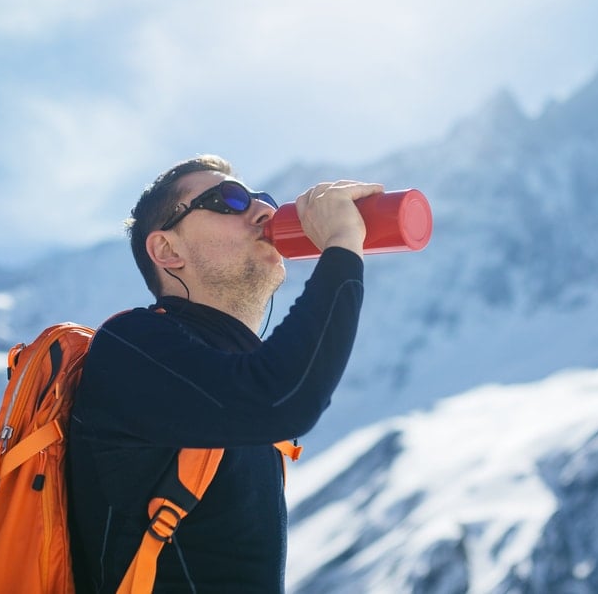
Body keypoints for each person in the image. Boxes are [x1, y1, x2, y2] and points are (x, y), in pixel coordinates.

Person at [67, 155, 382, 593]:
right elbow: (283, 397)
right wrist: (343, 243)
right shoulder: (131, 346)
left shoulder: (234, 379)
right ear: (167, 250)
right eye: (229, 199)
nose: (264, 211)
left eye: (263, 199)